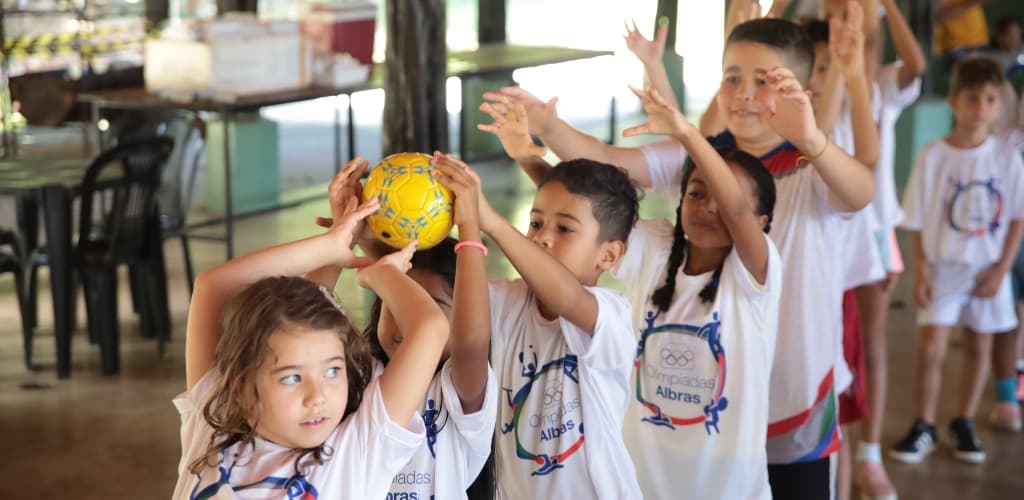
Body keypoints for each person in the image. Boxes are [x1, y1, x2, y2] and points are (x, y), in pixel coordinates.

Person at [483, 14, 875, 500]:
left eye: (764, 79)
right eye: (732, 76)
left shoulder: (804, 174)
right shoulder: (663, 233)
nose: (745, 92)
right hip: (660, 460)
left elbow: (860, 191)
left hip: (796, 390)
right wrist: (538, 138)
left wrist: (810, 132)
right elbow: (592, 205)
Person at [482, 86, 782, 499]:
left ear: (760, 221)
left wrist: (688, 136)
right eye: (695, 192)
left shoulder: (756, 276)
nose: (708, 205)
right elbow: (587, 222)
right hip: (647, 482)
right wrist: (527, 157)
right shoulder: (658, 249)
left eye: (722, 197)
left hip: (726, 487)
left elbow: (733, 210)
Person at [173, 158, 452, 499]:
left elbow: (431, 329)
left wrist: (346, 252)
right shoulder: (213, 425)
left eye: (333, 371)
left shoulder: (355, 453)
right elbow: (211, 287)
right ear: (242, 387)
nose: (317, 396)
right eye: (291, 377)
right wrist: (332, 247)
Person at [431, 152, 643, 499]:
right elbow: (444, 291)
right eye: (535, 223)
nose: (543, 237)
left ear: (608, 255)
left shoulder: (610, 314)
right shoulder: (506, 300)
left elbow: (569, 299)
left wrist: (492, 224)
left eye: (565, 228)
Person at [310, 156, 498, 500]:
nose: (410, 322)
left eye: (430, 305)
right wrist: (343, 238)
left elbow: (471, 342)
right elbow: (302, 328)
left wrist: (470, 229)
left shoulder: (457, 392)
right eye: (397, 303)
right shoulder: (359, 378)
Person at [890, 57, 1024, 466]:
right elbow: (915, 219)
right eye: (972, 98)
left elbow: (1018, 217)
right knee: (931, 348)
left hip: (988, 272)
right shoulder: (934, 156)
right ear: (953, 101)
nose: (980, 106)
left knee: (979, 347)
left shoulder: (1006, 157)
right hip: (943, 267)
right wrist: (921, 269)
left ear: (1000, 105)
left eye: (989, 99)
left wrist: (1001, 270)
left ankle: (963, 422)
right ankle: (924, 424)